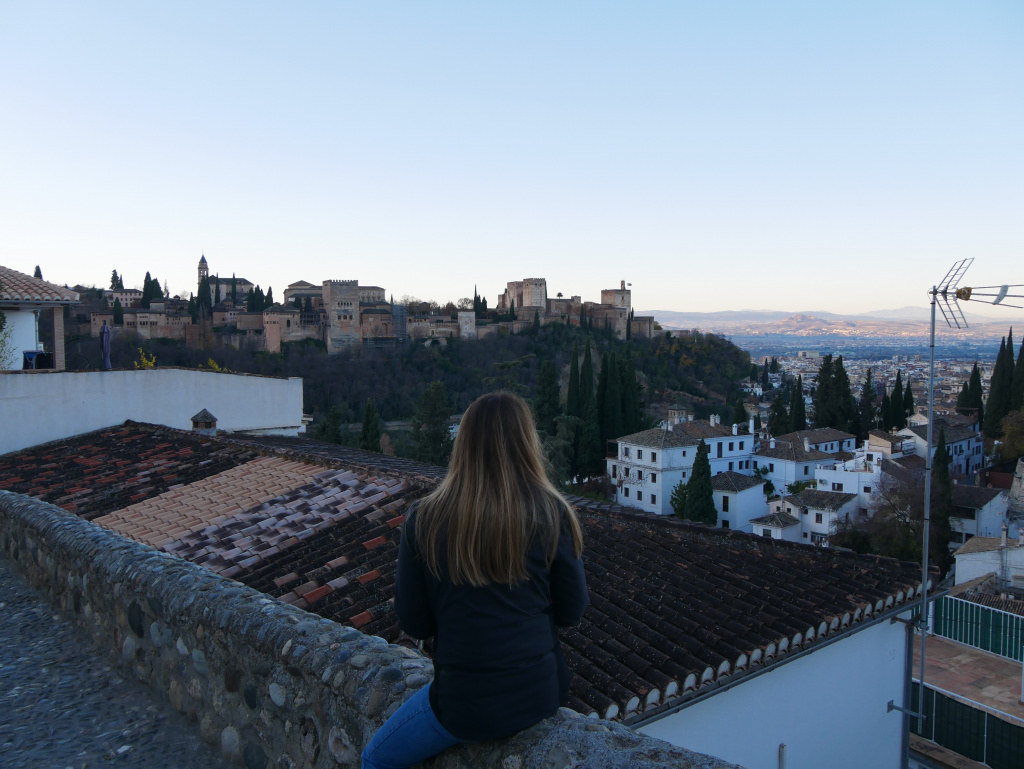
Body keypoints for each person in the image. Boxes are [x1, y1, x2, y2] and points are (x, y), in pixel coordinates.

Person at [361, 391, 588, 769]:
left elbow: (415, 622)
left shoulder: (424, 519)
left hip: (463, 704)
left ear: (462, 444)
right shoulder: (552, 514)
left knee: (373, 760)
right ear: (526, 442)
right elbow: (572, 610)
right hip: (539, 695)